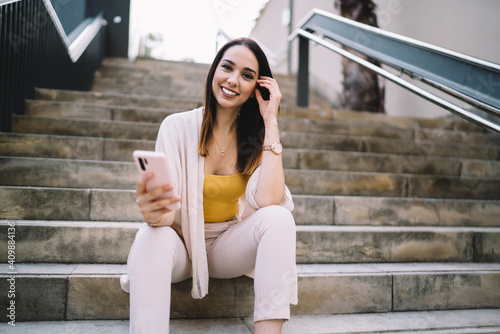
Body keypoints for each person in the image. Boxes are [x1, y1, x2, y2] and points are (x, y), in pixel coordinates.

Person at [120, 37, 298, 334]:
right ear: (214, 70)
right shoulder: (176, 127)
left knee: (279, 218)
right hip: (177, 246)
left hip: (223, 247)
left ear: (258, 87)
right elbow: (163, 220)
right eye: (227, 67)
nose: (232, 80)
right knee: (150, 237)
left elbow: (269, 200)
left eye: (247, 75)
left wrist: (271, 122)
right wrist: (153, 210)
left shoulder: (254, 140)